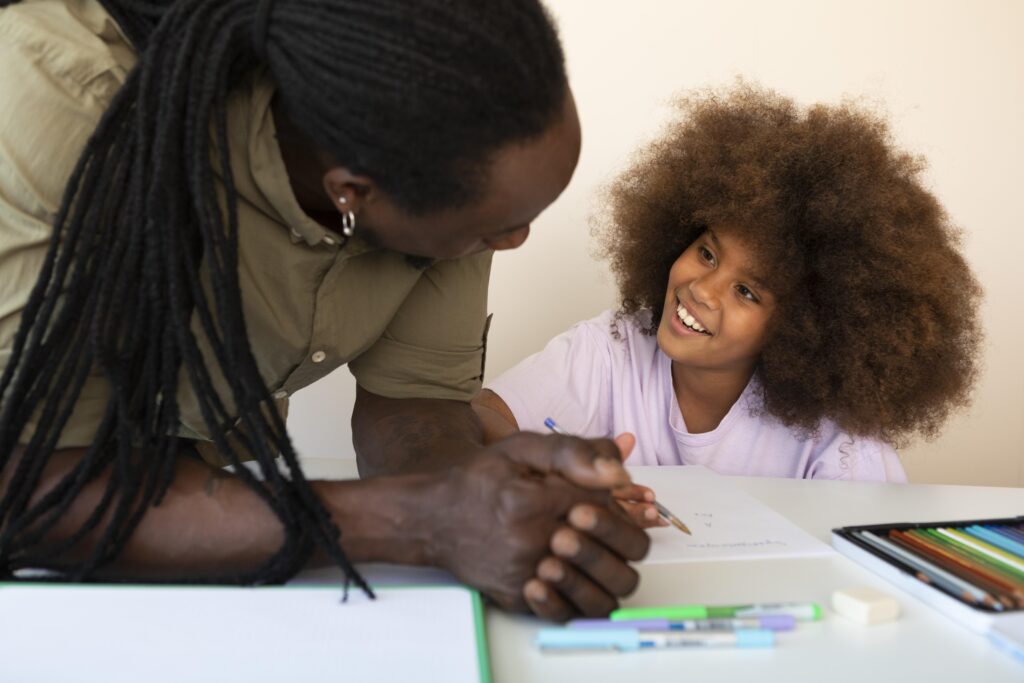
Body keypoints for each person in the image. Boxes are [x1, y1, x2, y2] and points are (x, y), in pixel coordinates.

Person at [0, 0, 649, 621]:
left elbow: (414, 404)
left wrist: (505, 501)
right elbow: (33, 492)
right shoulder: (58, 98)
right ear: (352, 192)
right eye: (493, 230)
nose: (514, 241)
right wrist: (420, 518)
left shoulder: (441, 141)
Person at [475, 83, 982, 526]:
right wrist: (548, 470)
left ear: (805, 328)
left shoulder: (835, 435)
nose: (703, 289)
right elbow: (479, 417)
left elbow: (877, 539)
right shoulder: (614, 348)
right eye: (707, 252)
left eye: (747, 291)